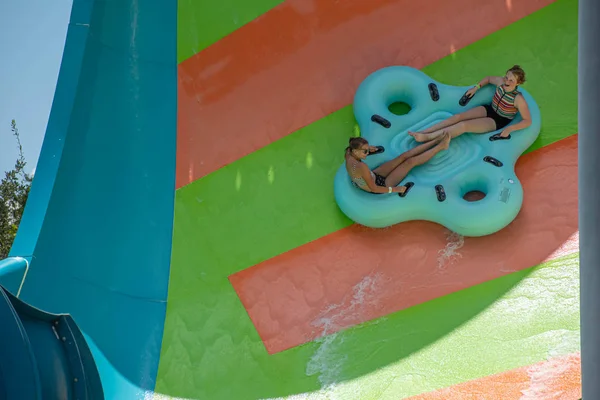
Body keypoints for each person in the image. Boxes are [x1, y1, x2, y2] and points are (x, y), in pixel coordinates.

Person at [407, 65, 532, 142]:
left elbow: (527, 120)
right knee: (457, 117)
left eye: (511, 80)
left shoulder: (518, 99)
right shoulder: (500, 82)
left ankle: (429, 137)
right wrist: (476, 87)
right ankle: (425, 131)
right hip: (489, 109)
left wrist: (510, 128)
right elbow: (488, 78)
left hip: (498, 120)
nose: (507, 81)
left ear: (518, 83)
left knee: (463, 126)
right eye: (506, 77)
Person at [345, 133, 451, 194]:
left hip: (372, 175)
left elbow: (355, 152)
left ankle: (435, 141)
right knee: (410, 162)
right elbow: (374, 188)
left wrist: (367, 148)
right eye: (365, 151)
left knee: (403, 156)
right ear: (355, 151)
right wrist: (396, 189)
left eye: (368, 150)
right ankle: (441, 146)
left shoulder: (348, 153)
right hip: (380, 185)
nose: (367, 153)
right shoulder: (361, 167)